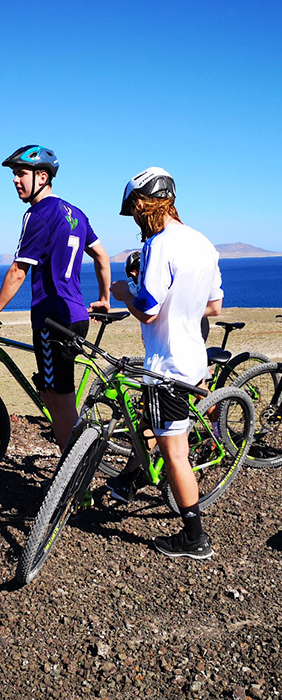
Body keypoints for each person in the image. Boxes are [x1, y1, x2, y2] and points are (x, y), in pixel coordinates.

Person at [110, 166, 223, 560]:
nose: (136, 218)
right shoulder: (204, 244)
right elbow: (214, 305)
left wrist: (125, 291)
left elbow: (148, 311)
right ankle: (132, 477)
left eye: (136, 209)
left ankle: (194, 537)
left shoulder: (159, 245)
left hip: (167, 365)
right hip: (194, 359)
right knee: (153, 424)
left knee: (175, 454)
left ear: (147, 204)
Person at [0, 145, 110, 452]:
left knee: (58, 401)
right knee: (57, 394)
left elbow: (18, 271)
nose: (15, 180)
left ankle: (73, 479)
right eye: (13, 174)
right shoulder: (75, 213)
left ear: (43, 176)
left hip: (53, 320)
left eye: (21, 173)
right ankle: (74, 470)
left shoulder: (38, 214)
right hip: (76, 316)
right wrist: (104, 298)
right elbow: (101, 256)